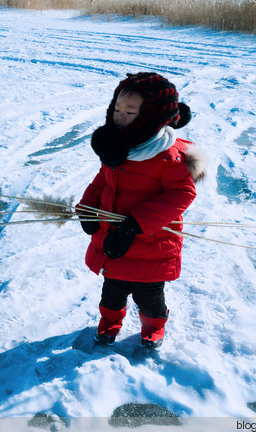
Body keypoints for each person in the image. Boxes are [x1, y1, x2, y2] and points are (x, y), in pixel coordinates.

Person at [77, 72, 206, 349]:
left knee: (149, 297)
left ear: (150, 117)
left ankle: (153, 326)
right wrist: (87, 207)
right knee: (111, 294)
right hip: (113, 242)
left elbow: (182, 194)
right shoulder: (117, 149)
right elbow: (103, 180)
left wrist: (134, 224)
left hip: (151, 246)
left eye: (130, 112)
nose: (120, 116)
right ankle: (110, 323)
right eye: (117, 109)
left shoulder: (169, 157)